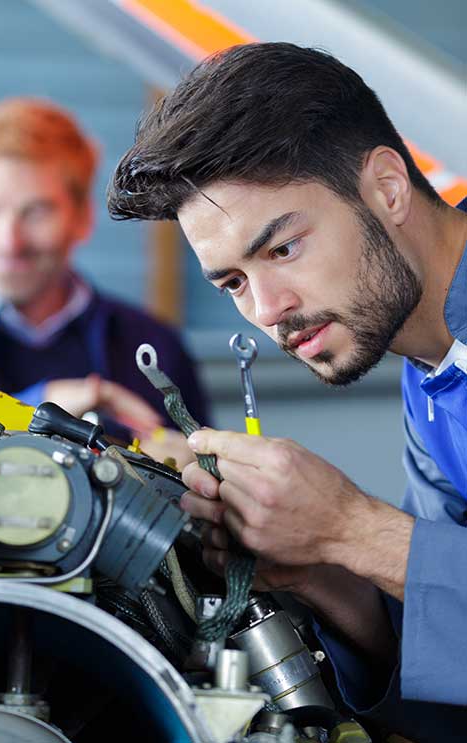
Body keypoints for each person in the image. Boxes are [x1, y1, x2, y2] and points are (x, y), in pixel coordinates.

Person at [107, 42, 467, 741]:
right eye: (233, 283)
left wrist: (349, 527)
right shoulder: (430, 374)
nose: (267, 309)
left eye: (280, 248)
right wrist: (315, 570)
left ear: (387, 188)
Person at [0, 97, 208, 452]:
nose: (8, 241)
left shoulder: (154, 346)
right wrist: (35, 409)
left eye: (36, 212)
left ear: (83, 217)